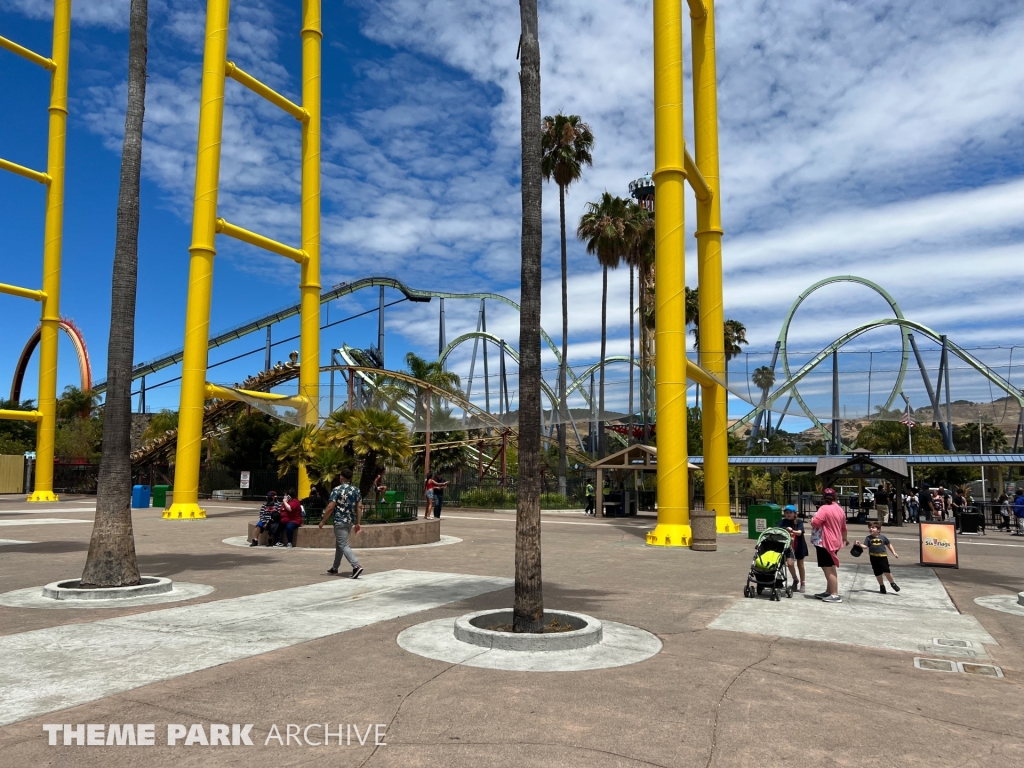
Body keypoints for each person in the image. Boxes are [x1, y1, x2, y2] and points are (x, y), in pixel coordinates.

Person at [320, 467, 364, 578]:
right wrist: (358, 523)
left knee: (343, 545)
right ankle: (335, 568)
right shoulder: (356, 490)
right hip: (349, 522)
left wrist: (323, 521)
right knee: (340, 545)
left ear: (341, 477)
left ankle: (356, 566)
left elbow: (330, 507)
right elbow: (359, 507)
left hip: (339, 521)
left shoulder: (337, 490)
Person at [810, 487, 849, 603]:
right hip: (836, 541)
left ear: (823, 497)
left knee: (827, 568)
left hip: (825, 542)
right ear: (835, 497)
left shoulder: (824, 508)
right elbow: (843, 527)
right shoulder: (839, 509)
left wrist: (812, 520)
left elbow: (816, 523)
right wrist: (845, 538)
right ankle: (829, 590)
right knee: (831, 566)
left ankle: (834, 594)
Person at [855, 522, 901, 594]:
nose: (871, 529)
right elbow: (865, 547)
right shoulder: (868, 538)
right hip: (873, 558)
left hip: (883, 557)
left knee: (887, 571)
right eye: (870, 528)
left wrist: (894, 553)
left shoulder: (883, 537)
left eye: (873, 527)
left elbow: (889, 545)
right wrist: (859, 544)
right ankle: (882, 586)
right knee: (878, 573)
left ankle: (892, 584)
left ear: (879, 530)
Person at [781, 505, 807, 593]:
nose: (788, 514)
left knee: (800, 565)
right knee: (790, 564)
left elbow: (800, 532)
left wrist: (791, 531)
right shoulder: (783, 522)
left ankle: (803, 583)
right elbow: (777, 529)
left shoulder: (799, 522)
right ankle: (795, 579)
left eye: (790, 513)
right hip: (788, 546)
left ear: (794, 514)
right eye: (786, 513)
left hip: (799, 545)